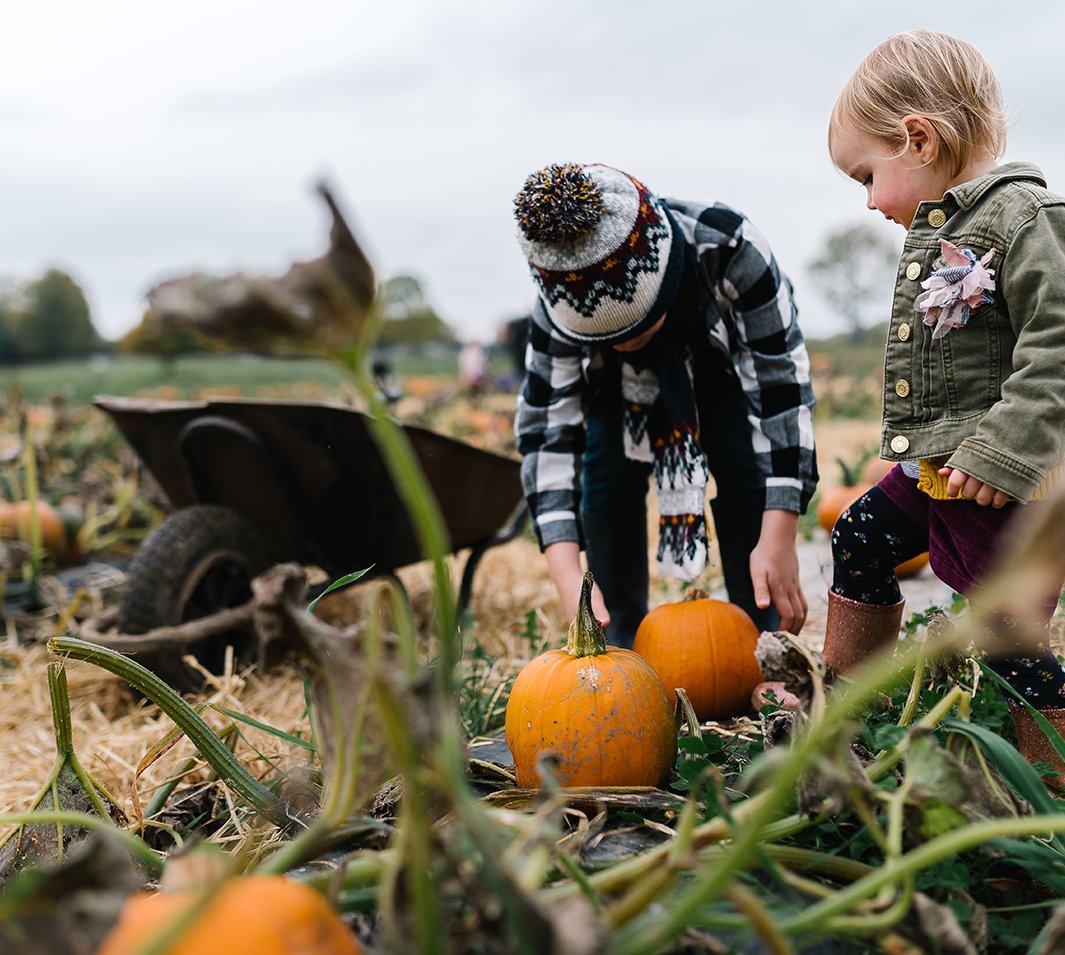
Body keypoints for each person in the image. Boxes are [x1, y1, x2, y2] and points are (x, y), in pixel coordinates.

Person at [801, 29, 1065, 771]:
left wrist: (1004, 446)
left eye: (863, 176)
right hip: (937, 467)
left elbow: (1058, 343)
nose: (867, 201)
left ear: (915, 138)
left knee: (1004, 635)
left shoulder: (1025, 217)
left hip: (999, 485)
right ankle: (845, 713)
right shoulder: (951, 223)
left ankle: (1045, 785)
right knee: (857, 534)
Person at [512, 161, 818, 649]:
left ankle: (763, 637)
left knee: (742, 464)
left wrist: (779, 536)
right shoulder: (557, 306)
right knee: (606, 480)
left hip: (723, 369)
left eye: (636, 328)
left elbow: (782, 390)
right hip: (614, 392)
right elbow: (548, 437)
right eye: (607, 338)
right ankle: (618, 648)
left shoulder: (732, 250)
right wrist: (570, 579)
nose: (624, 344)